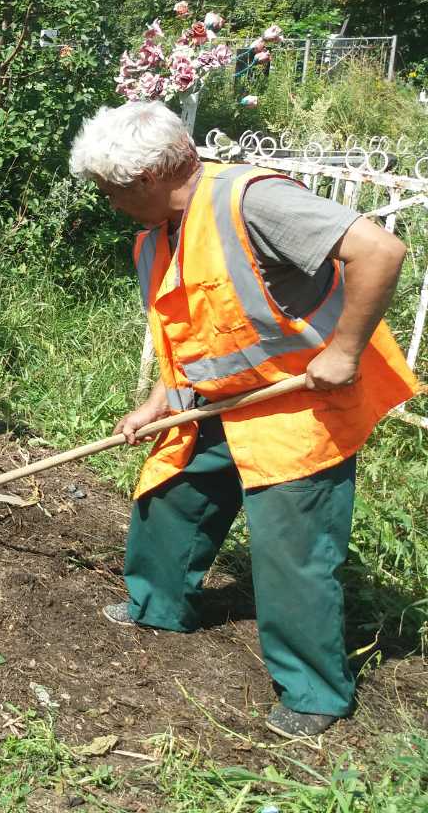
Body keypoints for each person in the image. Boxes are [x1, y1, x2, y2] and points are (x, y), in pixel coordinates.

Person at [69, 101, 417, 739]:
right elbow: (198, 327)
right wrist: (161, 396)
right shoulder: (161, 232)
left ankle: (313, 693)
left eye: (111, 191)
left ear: (146, 178)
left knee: (292, 551)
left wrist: (344, 352)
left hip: (297, 402)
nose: (109, 204)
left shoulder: (252, 202)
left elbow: (381, 250)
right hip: (218, 400)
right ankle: (159, 604)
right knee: (171, 496)